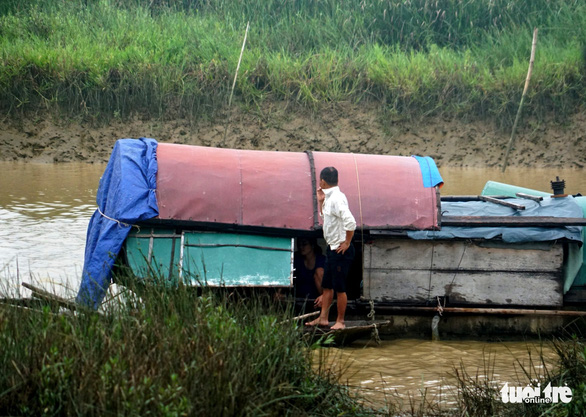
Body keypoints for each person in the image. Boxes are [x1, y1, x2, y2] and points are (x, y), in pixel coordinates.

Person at [306, 166, 356, 330]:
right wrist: (321, 202)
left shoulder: (337, 198)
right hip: (332, 248)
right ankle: (323, 318)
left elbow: (351, 222)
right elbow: (325, 217)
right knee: (327, 286)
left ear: (322, 181)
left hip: (341, 250)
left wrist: (347, 242)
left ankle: (340, 321)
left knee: (340, 288)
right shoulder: (330, 198)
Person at [294, 237, 326, 307]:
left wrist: (324, 295)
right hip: (299, 296)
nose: (301, 247)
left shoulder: (321, 260)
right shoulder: (296, 258)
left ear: (312, 245)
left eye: (304, 244)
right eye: (299, 245)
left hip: (316, 297)